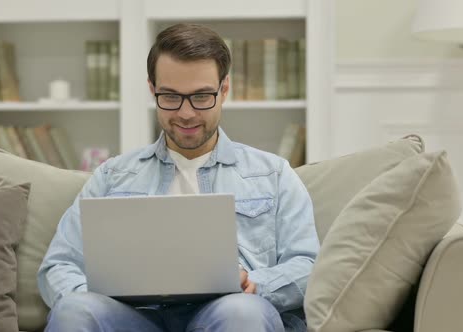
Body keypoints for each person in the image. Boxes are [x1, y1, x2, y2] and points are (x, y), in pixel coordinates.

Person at [37, 23, 319, 332]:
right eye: (170, 97)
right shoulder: (112, 176)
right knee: (75, 311)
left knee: (242, 312)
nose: (186, 113)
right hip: (132, 318)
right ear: (152, 89)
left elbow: (309, 265)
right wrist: (90, 294)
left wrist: (255, 284)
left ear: (224, 90)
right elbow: (58, 265)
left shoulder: (273, 174)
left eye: (201, 97)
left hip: (229, 313)